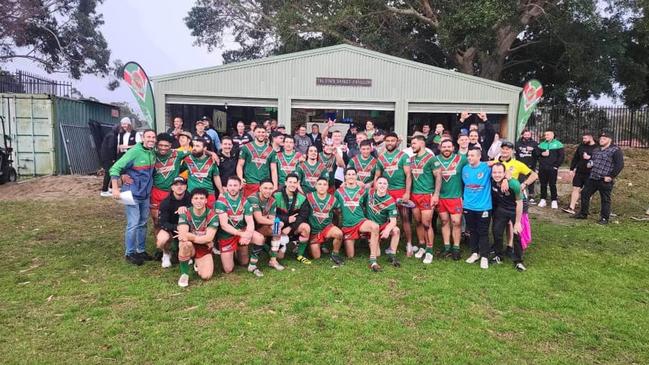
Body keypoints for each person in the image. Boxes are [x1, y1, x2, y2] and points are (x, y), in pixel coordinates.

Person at [110, 129, 157, 266]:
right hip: (132, 194)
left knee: (143, 223)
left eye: (153, 137)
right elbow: (115, 168)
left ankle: (140, 250)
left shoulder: (152, 152)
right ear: (143, 138)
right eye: (148, 137)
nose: (151, 139)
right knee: (133, 224)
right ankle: (129, 253)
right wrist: (115, 187)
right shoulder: (135, 152)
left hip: (145, 194)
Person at [215, 176, 267, 276]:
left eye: (235, 185)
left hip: (241, 232)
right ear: (227, 187)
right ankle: (232, 251)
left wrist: (247, 234)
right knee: (228, 269)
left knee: (259, 239)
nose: (232, 188)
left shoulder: (245, 201)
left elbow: (250, 222)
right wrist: (242, 234)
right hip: (227, 235)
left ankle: (252, 265)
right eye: (230, 185)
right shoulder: (221, 202)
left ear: (240, 187)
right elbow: (224, 225)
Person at [335, 168, 382, 272]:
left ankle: (373, 259)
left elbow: (367, 206)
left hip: (360, 221)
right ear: (345, 177)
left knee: (375, 227)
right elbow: (335, 208)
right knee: (350, 256)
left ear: (356, 177)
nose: (351, 176)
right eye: (348, 174)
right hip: (347, 225)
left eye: (353, 174)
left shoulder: (363, 191)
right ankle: (346, 240)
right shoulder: (338, 192)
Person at [574, 130, 624, 224]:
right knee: (584, 193)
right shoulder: (596, 150)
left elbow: (619, 165)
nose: (601, 140)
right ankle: (583, 213)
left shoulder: (616, 150)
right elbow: (593, 160)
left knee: (605, 199)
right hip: (593, 177)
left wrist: (611, 176)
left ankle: (604, 218)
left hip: (604, 179)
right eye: (600, 138)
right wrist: (590, 163)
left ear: (610, 139)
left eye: (604, 139)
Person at [375, 132, 413, 255]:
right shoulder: (381, 157)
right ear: (385, 142)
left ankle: (409, 244)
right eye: (388, 140)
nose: (390, 143)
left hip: (400, 191)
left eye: (393, 140)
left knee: (405, 217)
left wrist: (407, 192)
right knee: (381, 216)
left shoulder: (403, 156)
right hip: (386, 192)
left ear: (397, 142)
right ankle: (379, 243)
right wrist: (377, 191)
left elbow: (408, 175)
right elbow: (377, 175)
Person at [176, 188, 219, 287]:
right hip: (191, 245)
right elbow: (183, 235)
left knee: (206, 276)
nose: (198, 201)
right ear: (191, 200)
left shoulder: (212, 215)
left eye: (201, 198)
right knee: (185, 243)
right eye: (195, 198)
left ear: (206, 200)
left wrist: (191, 236)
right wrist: (201, 239)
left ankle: (197, 262)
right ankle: (184, 274)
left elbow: (209, 238)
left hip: (204, 247)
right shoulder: (185, 213)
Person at [433, 139, 468, 260]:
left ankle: (456, 248)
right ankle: (447, 247)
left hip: (455, 197)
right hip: (441, 197)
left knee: (456, 222)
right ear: (440, 148)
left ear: (453, 148)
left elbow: (475, 164)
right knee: (444, 221)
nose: (446, 149)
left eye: (449, 147)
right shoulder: (435, 160)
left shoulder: (461, 159)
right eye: (444, 147)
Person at [409, 135, 441, 264]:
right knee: (418, 222)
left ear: (422, 143)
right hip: (414, 195)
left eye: (414, 143)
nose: (412, 146)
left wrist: (436, 194)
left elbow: (438, 176)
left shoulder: (431, 159)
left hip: (427, 194)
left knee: (427, 223)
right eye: (412, 144)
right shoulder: (411, 159)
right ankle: (422, 246)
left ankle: (429, 250)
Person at [490, 163, 526, 271]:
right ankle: (498, 256)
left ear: (504, 173)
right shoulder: (492, 181)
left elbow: (519, 203)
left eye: (500, 172)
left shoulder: (514, 184)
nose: (497, 175)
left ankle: (518, 261)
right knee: (497, 232)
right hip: (501, 209)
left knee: (517, 234)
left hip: (515, 210)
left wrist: (518, 222)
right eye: (494, 172)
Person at [151, 133, 190, 233]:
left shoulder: (177, 153)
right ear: (156, 144)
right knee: (156, 220)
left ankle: (174, 241)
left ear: (171, 146)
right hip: (157, 192)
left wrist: (212, 153)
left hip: (172, 193)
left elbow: (194, 151)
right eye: (160, 145)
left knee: (174, 217)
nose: (163, 148)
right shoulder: (152, 154)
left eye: (166, 146)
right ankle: (160, 246)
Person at [462, 147, 493, 270]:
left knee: (483, 231)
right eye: (468, 155)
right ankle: (475, 253)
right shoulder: (465, 169)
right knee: (472, 231)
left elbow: (500, 166)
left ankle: (484, 256)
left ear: (479, 156)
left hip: (484, 206)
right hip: (468, 206)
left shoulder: (487, 168)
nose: (470, 157)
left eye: (472, 155)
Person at [245, 179, 285, 270]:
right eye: (265, 188)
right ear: (260, 188)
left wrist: (276, 224)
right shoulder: (253, 198)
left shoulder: (272, 201)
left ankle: (273, 260)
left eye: (270, 188)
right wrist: (277, 222)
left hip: (260, 228)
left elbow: (271, 218)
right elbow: (259, 219)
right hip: (247, 229)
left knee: (277, 228)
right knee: (242, 261)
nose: (268, 191)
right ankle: (265, 247)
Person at [274, 174, 312, 264]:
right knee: (280, 257)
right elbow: (271, 214)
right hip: (278, 224)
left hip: (293, 226)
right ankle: (271, 250)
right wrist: (287, 219)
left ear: (298, 183)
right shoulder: (276, 195)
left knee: (306, 228)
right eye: (290, 182)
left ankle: (299, 255)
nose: (292, 184)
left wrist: (291, 227)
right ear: (285, 182)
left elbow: (303, 216)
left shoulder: (302, 197)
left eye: (295, 182)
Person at [306, 177, 344, 264]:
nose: (322, 187)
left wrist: (336, 224)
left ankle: (335, 254)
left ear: (327, 187)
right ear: (315, 186)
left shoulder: (333, 199)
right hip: (314, 231)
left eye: (324, 184)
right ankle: (315, 244)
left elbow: (339, 212)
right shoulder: (309, 197)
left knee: (338, 233)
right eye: (319, 184)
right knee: (316, 257)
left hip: (327, 228)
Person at [365, 177, 401, 267]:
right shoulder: (369, 193)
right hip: (371, 226)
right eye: (380, 183)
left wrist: (387, 230)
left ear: (387, 186)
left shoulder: (390, 201)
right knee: (377, 254)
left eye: (384, 184)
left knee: (396, 230)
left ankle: (392, 255)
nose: (382, 185)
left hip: (382, 225)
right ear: (376, 184)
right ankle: (370, 241)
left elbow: (393, 221)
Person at [156, 176, 191, 269]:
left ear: (186, 187)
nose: (179, 187)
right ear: (172, 188)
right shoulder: (166, 202)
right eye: (176, 185)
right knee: (162, 240)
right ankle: (166, 253)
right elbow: (162, 223)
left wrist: (187, 209)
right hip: (170, 226)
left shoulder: (192, 199)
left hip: (188, 228)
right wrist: (177, 227)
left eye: (182, 184)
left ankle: (190, 254)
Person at [237, 126, 278, 198]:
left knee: (264, 208)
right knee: (249, 207)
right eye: (258, 132)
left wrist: (275, 185)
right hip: (250, 183)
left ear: (266, 134)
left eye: (263, 132)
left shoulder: (271, 150)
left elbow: (273, 169)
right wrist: (240, 178)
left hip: (265, 185)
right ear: (254, 133)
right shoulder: (246, 147)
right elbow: (240, 165)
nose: (261, 134)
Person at [182, 137, 223, 209]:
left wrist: (221, 192)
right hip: (192, 194)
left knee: (210, 217)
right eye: (194, 146)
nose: (194, 148)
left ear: (204, 148)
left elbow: (216, 176)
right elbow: (178, 170)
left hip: (208, 194)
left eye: (198, 146)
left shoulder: (212, 160)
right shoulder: (188, 159)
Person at [564, 132, 597, 214]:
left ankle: (585, 209)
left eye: (585, 138)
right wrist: (571, 169)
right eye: (583, 138)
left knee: (587, 191)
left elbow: (600, 159)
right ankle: (571, 207)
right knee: (575, 188)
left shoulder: (597, 147)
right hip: (579, 171)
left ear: (591, 137)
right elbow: (576, 157)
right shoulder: (581, 146)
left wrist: (590, 157)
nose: (584, 140)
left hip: (591, 172)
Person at [537, 129, 565, 209]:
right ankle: (543, 199)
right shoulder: (541, 144)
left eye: (548, 135)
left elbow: (561, 157)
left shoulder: (558, 144)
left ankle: (554, 200)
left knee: (552, 184)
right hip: (542, 168)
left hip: (552, 168)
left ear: (553, 135)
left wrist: (556, 166)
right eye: (545, 135)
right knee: (543, 184)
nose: (546, 136)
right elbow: (537, 154)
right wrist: (542, 154)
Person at [515, 129, 539, 202]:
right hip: (520, 165)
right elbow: (516, 154)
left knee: (531, 180)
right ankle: (520, 195)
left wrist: (533, 150)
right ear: (522, 135)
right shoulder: (518, 143)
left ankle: (531, 196)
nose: (527, 136)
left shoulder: (534, 143)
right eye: (525, 135)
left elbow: (538, 154)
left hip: (531, 165)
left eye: (528, 135)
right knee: (520, 181)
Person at [100, 124, 120, 197]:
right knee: (108, 173)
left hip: (106, 156)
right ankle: (104, 190)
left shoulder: (111, 134)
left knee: (111, 172)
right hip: (108, 157)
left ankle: (110, 188)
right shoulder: (112, 136)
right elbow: (111, 147)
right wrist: (113, 158)